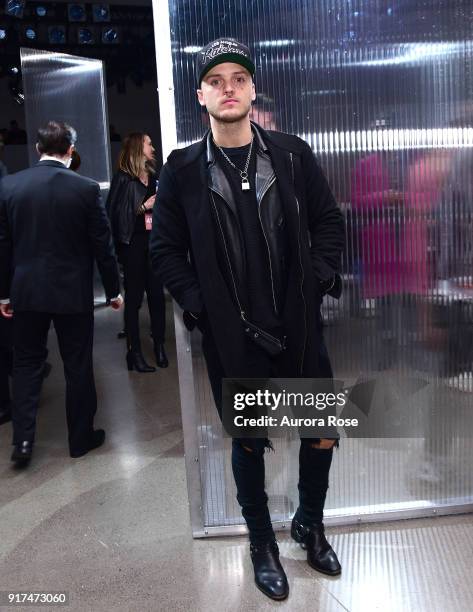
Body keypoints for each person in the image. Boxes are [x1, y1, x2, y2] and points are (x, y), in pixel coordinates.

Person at [150, 38, 345, 600]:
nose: (229, 88)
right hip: (234, 333)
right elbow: (165, 250)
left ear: (253, 89)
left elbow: (329, 222)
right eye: (217, 80)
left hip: (299, 325)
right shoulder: (183, 168)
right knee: (249, 439)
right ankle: (261, 541)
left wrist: (320, 279)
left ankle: (309, 524)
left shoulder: (290, 153)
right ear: (201, 95)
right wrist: (201, 307)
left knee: (322, 431)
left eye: (239, 78)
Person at [0, 120, 122, 466]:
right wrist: (114, 290)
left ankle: (22, 444)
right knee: (77, 364)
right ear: (70, 150)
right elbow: (104, 245)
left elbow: (3, 247)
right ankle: (80, 439)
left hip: (25, 292)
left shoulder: (9, 187)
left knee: (25, 365)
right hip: (72, 293)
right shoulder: (84, 189)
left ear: (38, 149)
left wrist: (4, 295)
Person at [107, 132, 168, 372]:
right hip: (132, 245)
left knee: (156, 297)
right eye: (149, 143)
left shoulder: (154, 176)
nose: (153, 147)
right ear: (138, 148)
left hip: (153, 243)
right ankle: (134, 353)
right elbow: (114, 215)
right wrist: (143, 207)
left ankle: (160, 347)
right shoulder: (123, 179)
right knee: (133, 300)